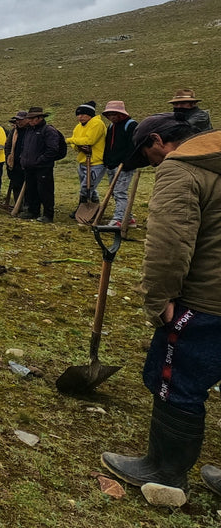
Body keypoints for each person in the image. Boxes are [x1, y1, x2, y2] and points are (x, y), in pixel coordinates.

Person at [101, 115, 221, 501]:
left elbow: (169, 244)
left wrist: (158, 299)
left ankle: (165, 472)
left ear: (159, 140)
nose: (151, 164)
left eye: (148, 154)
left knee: (178, 381)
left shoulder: (182, 169)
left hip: (207, 301)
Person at [18, 107, 65, 223]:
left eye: (32, 118)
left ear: (39, 118)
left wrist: (41, 160)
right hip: (29, 166)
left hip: (43, 167)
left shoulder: (48, 130)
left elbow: (53, 149)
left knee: (45, 191)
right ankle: (33, 211)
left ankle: (48, 214)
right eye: (29, 118)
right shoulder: (29, 130)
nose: (29, 120)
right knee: (31, 190)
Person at [65, 101, 107, 216]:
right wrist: (77, 145)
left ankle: (81, 208)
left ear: (90, 114)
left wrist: (70, 141)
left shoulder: (97, 124)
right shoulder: (78, 127)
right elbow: (76, 143)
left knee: (86, 187)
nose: (80, 117)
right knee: (89, 187)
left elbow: (89, 141)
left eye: (83, 114)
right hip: (83, 161)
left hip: (96, 161)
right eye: (78, 114)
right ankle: (95, 208)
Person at [101, 101, 139, 228]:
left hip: (124, 166)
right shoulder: (111, 127)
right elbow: (108, 146)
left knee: (120, 192)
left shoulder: (131, 125)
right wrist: (106, 161)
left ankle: (119, 219)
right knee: (114, 192)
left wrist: (127, 162)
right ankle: (128, 218)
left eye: (114, 114)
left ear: (120, 114)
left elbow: (133, 146)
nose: (111, 117)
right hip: (112, 165)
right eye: (109, 114)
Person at [4, 111, 29, 208]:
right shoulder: (14, 132)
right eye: (17, 120)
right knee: (16, 185)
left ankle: (27, 207)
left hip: (27, 164)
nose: (18, 122)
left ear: (27, 120)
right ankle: (17, 205)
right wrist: (8, 158)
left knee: (28, 188)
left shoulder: (30, 131)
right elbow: (8, 146)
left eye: (21, 120)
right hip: (15, 164)